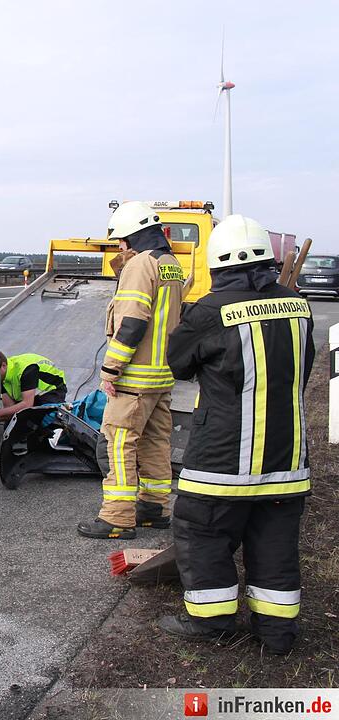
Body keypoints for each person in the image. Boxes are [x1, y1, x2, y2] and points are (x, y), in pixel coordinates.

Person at [157, 215, 314, 655]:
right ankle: (278, 633)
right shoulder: (298, 306)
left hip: (222, 462)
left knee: (201, 531)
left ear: (217, 264)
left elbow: (180, 362)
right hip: (287, 461)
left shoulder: (210, 311)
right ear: (269, 258)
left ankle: (212, 622)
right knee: (276, 543)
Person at [77, 201, 184, 539]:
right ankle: (154, 508)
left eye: (120, 241)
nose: (119, 248)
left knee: (118, 443)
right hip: (160, 376)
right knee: (155, 441)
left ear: (129, 238)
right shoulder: (170, 264)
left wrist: (111, 369)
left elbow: (133, 322)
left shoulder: (139, 265)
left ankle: (118, 518)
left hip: (134, 377)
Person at [0, 351, 68, 420]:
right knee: (12, 426)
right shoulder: (2, 376)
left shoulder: (25, 370)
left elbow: (27, 405)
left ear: (3, 366)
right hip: (31, 396)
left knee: (44, 421)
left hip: (53, 389)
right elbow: (9, 412)